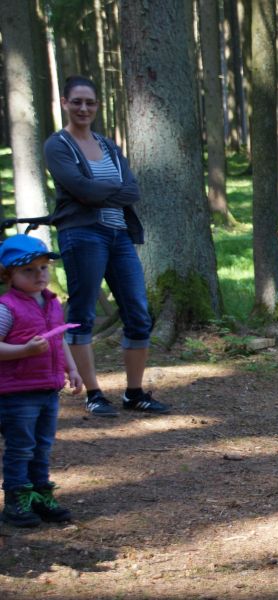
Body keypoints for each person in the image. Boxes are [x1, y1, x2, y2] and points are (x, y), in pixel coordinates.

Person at [43, 75, 169, 418]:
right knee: (83, 314)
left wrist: (100, 192)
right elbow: (81, 190)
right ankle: (94, 394)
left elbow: (132, 190)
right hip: (82, 235)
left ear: (97, 106)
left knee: (138, 314)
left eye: (90, 102)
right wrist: (108, 191)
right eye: (77, 102)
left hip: (119, 235)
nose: (84, 108)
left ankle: (134, 393)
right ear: (65, 103)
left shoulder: (107, 145)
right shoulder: (58, 145)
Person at [0, 234, 83, 527]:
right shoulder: (6, 308)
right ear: (8, 275)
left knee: (42, 446)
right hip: (17, 394)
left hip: (48, 389)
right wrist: (24, 350)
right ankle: (16, 500)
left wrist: (73, 369)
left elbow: (59, 340)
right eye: (28, 270)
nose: (39, 275)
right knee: (21, 447)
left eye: (43, 268)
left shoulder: (52, 303)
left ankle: (39, 494)